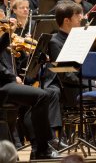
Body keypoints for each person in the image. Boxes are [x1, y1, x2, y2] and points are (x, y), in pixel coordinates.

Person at [0, 31, 58, 159]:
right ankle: (43, 149)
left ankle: (37, 147)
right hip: (2, 86)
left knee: (32, 101)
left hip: (5, 84)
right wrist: (12, 77)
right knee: (41, 96)